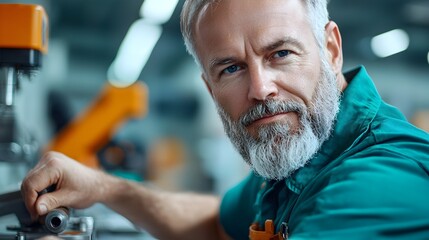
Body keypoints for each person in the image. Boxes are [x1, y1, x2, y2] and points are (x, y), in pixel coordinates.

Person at [21, 0, 429, 239]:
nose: (260, 88)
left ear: (331, 49)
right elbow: (216, 223)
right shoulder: (303, 156)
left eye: (280, 54)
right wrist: (103, 187)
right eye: (230, 68)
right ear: (209, 85)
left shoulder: (373, 182)